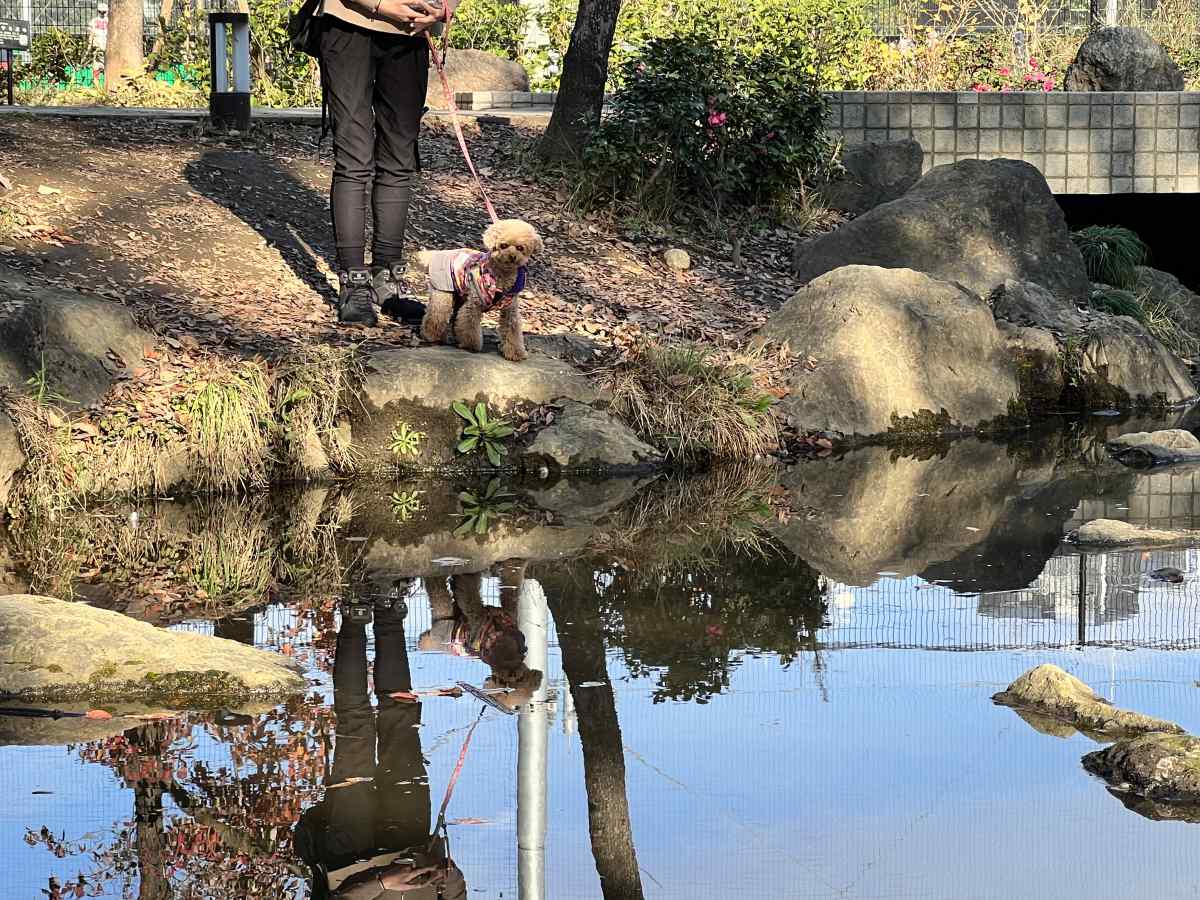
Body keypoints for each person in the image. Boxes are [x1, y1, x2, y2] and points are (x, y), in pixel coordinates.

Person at [295, 593, 467, 899]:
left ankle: (354, 612)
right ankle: (389, 611)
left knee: (356, 729)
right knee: (401, 722)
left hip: (349, 858)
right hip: (411, 842)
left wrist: (385, 882)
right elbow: (456, 891)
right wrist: (448, 877)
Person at [317, 0, 456, 326]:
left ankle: (387, 283)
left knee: (399, 161)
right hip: (348, 21)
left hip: (412, 34)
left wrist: (445, 9)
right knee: (354, 158)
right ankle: (353, 286)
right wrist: (383, 5)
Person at [418, 562, 543, 713]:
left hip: (495, 630)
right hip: (471, 631)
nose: (486, 689)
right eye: (494, 695)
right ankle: (458, 569)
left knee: (508, 599)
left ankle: (510, 569)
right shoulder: (500, 665)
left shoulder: (512, 656)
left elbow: (531, 680)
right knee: (463, 604)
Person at [88, 2, 107, 85]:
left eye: (104, 12)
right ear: (97, 11)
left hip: (108, 51)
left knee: (108, 72)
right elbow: (91, 36)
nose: (102, 14)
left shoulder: (110, 21)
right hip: (97, 50)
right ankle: (98, 90)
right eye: (100, 11)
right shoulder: (93, 22)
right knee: (96, 71)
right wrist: (89, 48)